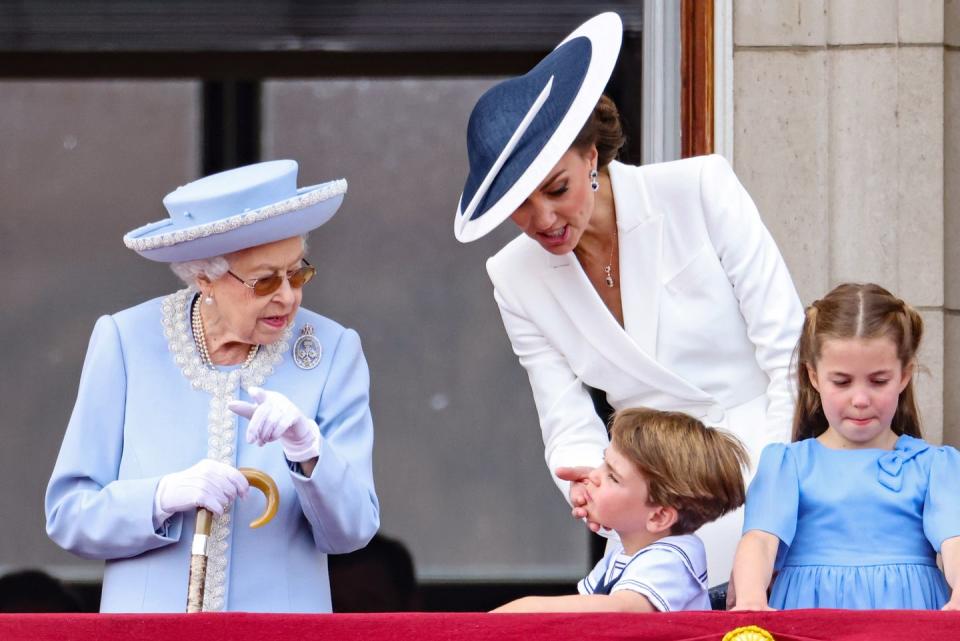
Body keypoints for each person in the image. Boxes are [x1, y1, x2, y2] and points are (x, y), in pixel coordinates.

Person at [453, 12, 803, 583]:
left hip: (771, 483)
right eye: (519, 205)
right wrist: (596, 485)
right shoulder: (512, 275)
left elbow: (787, 351)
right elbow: (565, 417)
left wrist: (771, 501)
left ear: (592, 155)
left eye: (557, 188)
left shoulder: (700, 188)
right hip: (654, 521)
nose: (543, 220)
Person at [45, 160, 380, 612]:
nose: (288, 296)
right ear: (203, 277)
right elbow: (69, 516)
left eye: (297, 272)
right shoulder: (125, 341)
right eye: (265, 281)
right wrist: (160, 496)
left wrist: (310, 453)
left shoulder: (333, 350)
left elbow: (354, 531)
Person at [730, 283, 960, 610]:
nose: (861, 399)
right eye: (842, 382)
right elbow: (760, 540)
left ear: (904, 375)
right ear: (813, 376)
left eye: (879, 381)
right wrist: (752, 598)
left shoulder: (936, 465)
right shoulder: (787, 464)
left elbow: (955, 543)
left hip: (908, 616)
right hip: (809, 616)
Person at [492, 408, 747, 613]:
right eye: (603, 462)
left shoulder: (671, 558)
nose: (594, 476)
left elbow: (623, 609)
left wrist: (528, 608)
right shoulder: (622, 554)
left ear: (659, 516)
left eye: (613, 477)